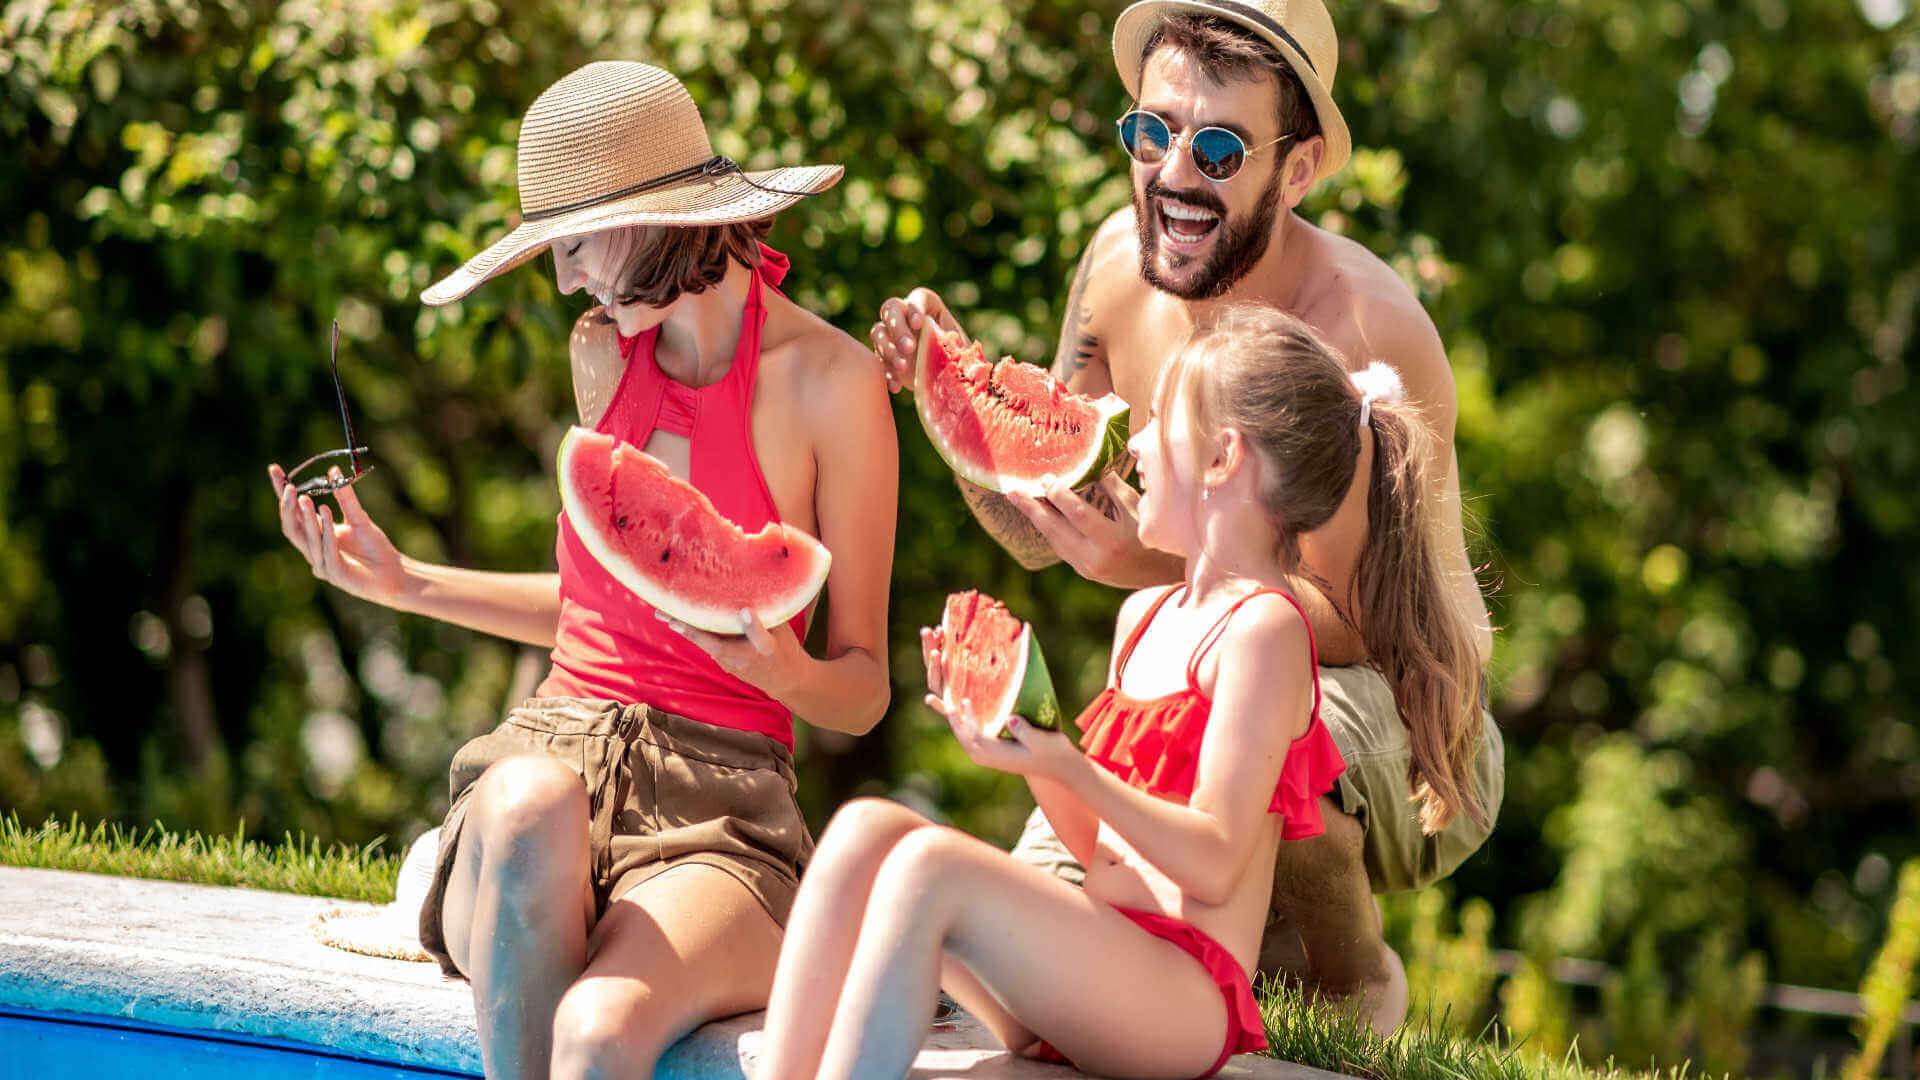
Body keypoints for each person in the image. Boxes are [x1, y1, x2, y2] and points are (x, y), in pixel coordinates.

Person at [869, 0, 1502, 1033]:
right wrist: (955, 400)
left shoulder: (1364, 329)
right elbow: (1046, 526)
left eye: (1216, 147)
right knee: (1031, 983)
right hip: (1214, 655)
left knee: (1273, 696)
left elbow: (1370, 621)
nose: (1172, 174)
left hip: (1399, 707)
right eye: (1150, 132)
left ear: (1296, 172)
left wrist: (1157, 570)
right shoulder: (1117, 267)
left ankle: (1352, 984)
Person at [268, 62, 897, 1078]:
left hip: (721, 810)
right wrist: (405, 584)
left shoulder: (834, 386)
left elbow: (864, 689)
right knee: (527, 805)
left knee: (600, 1032)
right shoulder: (602, 353)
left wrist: (777, 671)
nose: (564, 280)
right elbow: (609, 604)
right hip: (548, 763)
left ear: (658, 221)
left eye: (571, 246)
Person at [757, 305, 1483, 1080]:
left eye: (1157, 419)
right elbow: (1100, 854)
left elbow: (1211, 862)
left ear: (1222, 459)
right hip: (1100, 969)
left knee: (927, 868)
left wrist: (1068, 764)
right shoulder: (1144, 616)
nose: (1130, 443)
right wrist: (1022, 748)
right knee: (868, 830)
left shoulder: (1264, 631)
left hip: (1181, 998)